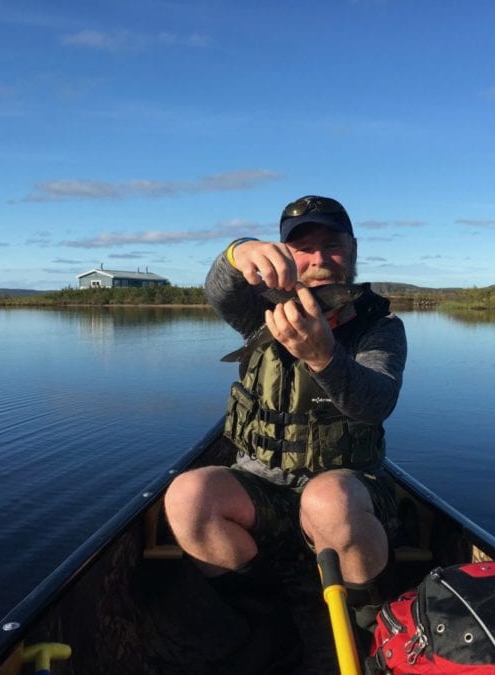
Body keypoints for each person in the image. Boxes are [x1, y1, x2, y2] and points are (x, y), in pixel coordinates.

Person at [164, 195, 407, 669]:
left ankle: (363, 632)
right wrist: (238, 250)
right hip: (264, 490)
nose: (319, 260)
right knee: (187, 495)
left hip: (352, 493)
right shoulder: (261, 312)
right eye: (304, 248)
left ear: (353, 249)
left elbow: (376, 404)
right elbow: (219, 287)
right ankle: (270, 623)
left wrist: (324, 357)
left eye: (332, 246)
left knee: (327, 500)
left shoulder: (381, 327)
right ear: (285, 255)